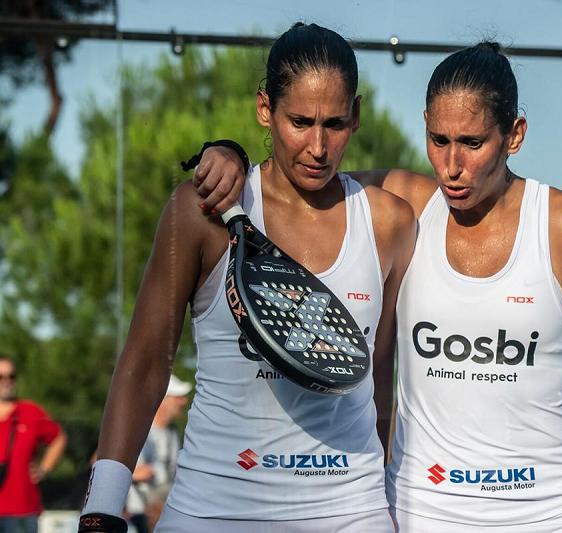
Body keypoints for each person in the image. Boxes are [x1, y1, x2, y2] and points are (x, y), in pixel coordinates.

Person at [192, 40, 562, 532]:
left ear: (514, 135)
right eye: (438, 139)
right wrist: (229, 154)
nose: (451, 165)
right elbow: (292, 179)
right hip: (424, 512)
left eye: (472, 143)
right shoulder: (406, 205)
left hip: (553, 511)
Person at [78, 22, 415, 533]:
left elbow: (380, 379)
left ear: (357, 116)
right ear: (264, 109)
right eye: (299, 122)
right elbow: (145, 364)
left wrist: (388, 497)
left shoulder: (389, 222)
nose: (318, 146)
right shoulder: (203, 211)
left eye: (335, 124)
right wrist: (101, 509)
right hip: (213, 509)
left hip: (350, 511)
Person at [0, 355, 67, 533]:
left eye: (11, 376)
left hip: (22, 511)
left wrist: (44, 468)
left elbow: (58, 437)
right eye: (1, 376)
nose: (6, 381)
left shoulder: (30, 412)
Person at [124, 375, 191, 533]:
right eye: (177, 397)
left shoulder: (171, 433)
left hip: (161, 517)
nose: (184, 401)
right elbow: (99, 463)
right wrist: (134, 474)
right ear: (162, 400)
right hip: (137, 518)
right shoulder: (138, 431)